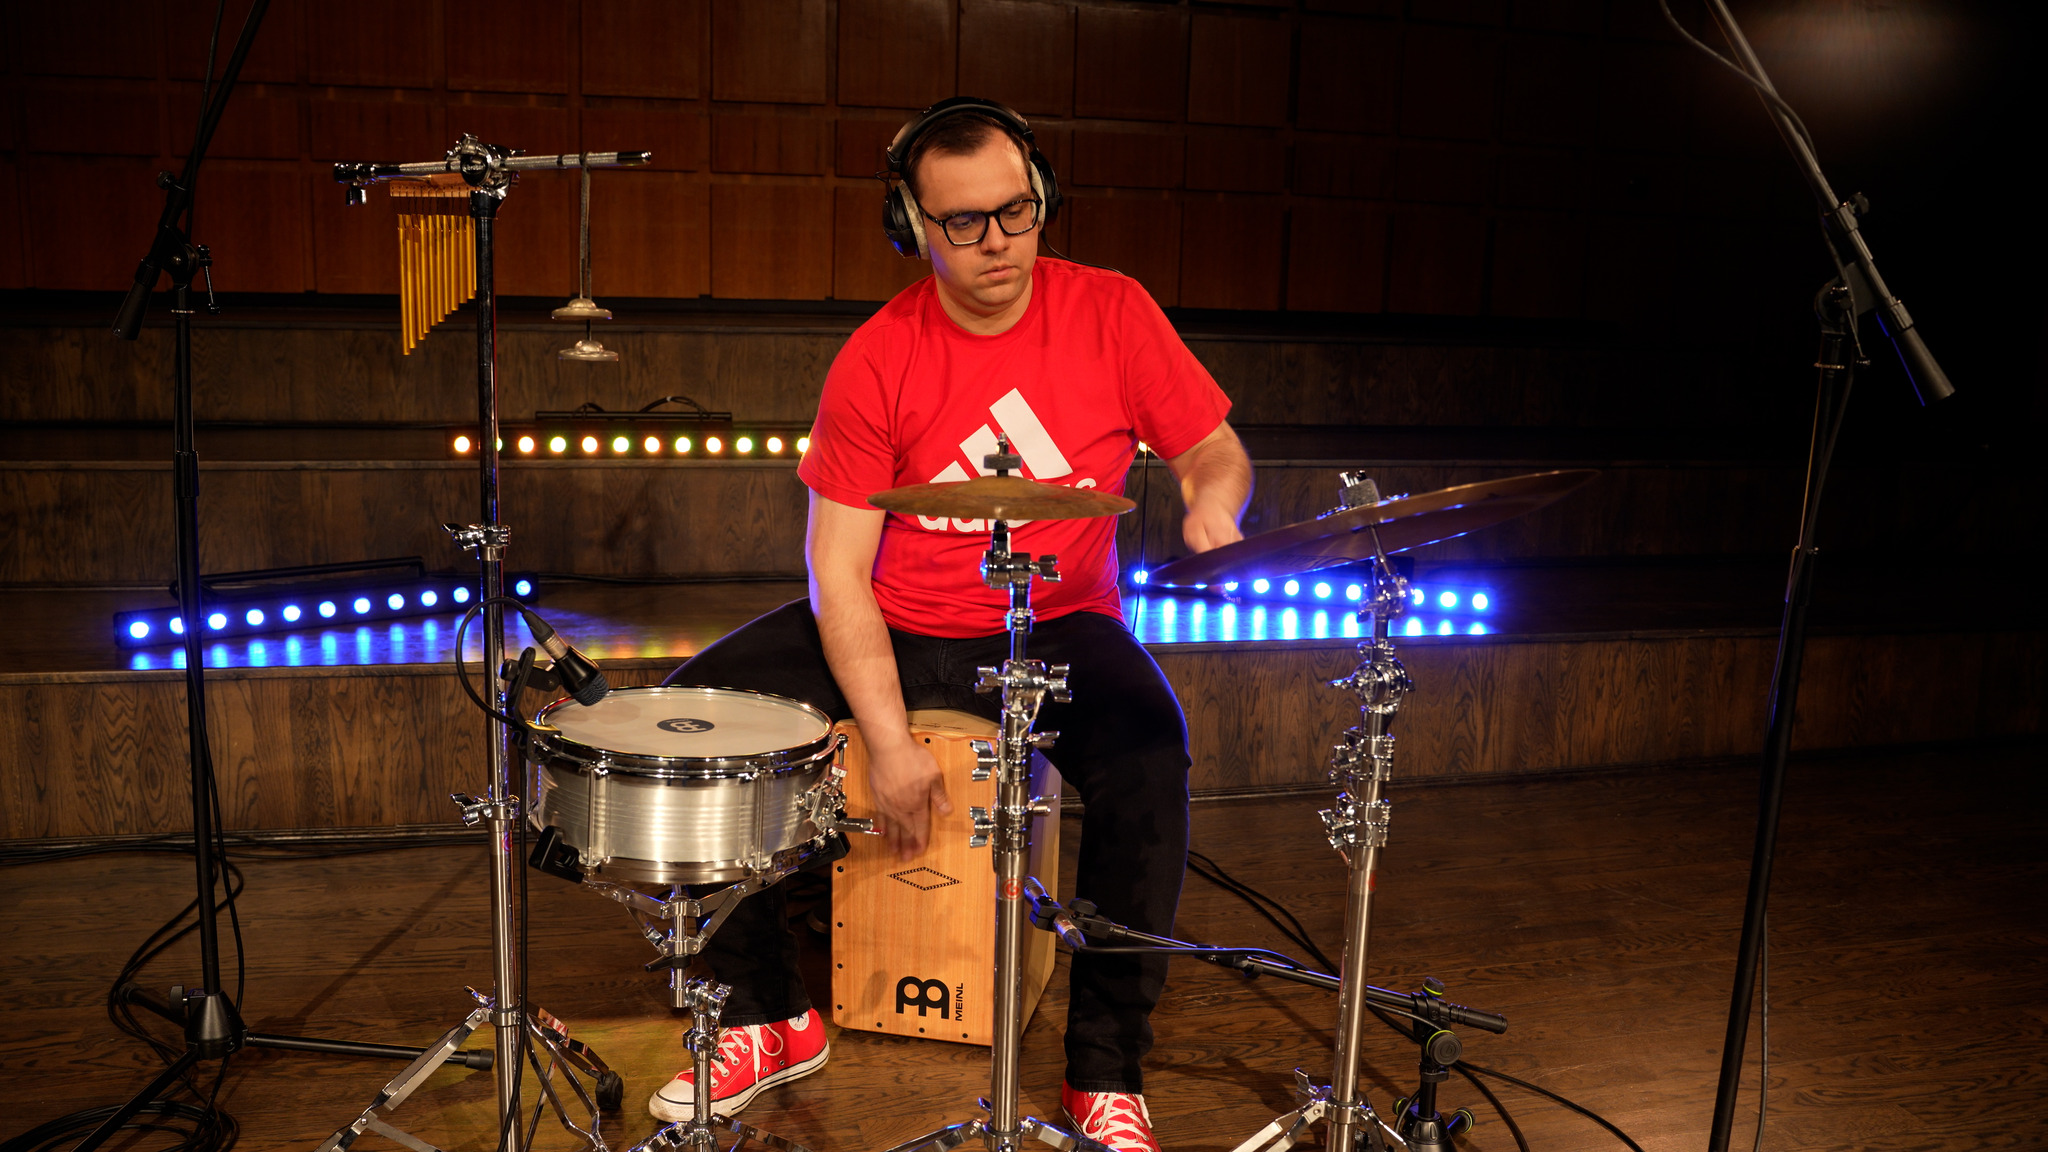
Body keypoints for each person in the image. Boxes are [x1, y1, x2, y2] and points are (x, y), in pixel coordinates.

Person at [648, 98, 1253, 1152]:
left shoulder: (1111, 311)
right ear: (913, 225)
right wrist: (886, 740)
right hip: (896, 617)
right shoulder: (878, 356)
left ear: (1040, 197)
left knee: (1150, 760)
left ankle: (1103, 1074)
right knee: (692, 729)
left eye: (1016, 212)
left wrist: (1214, 501)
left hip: (1057, 620)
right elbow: (837, 571)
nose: (998, 242)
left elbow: (1211, 447)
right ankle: (768, 1017)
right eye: (964, 222)